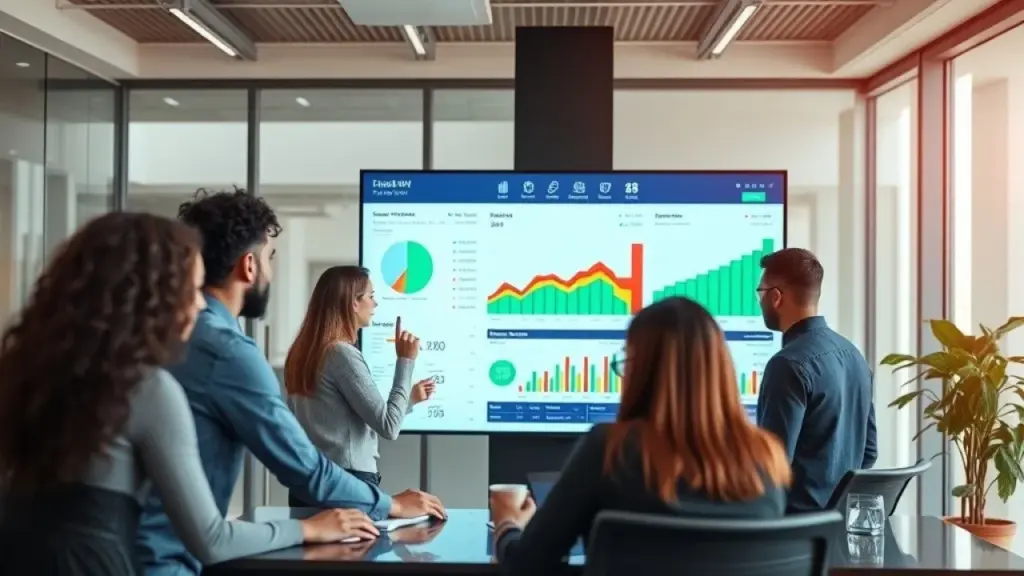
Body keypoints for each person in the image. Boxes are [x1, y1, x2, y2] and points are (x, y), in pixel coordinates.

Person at [0, 213, 379, 576]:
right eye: (189, 289)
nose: (199, 305)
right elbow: (212, 538)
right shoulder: (149, 390)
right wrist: (308, 529)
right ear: (151, 297)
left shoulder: (26, 377)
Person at [136, 190, 445, 576]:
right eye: (270, 257)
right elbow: (306, 467)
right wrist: (390, 505)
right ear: (249, 266)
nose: (270, 270)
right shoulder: (229, 352)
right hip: (167, 563)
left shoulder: (167, 338)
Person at [490, 297, 791, 574]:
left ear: (642, 372)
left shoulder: (610, 449)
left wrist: (507, 522)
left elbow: (526, 565)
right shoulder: (767, 455)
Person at [284, 266, 436, 504]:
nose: (375, 304)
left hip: (309, 483)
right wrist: (405, 361)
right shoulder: (341, 354)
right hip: (347, 483)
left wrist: (409, 400)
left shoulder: (301, 354)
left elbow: (336, 417)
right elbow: (389, 426)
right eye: (371, 296)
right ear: (353, 303)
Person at [755, 248, 877, 513]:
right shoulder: (854, 355)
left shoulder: (787, 365)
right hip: (836, 530)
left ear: (775, 297)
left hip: (791, 531)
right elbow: (869, 452)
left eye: (760, 293)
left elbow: (772, 467)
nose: (760, 301)